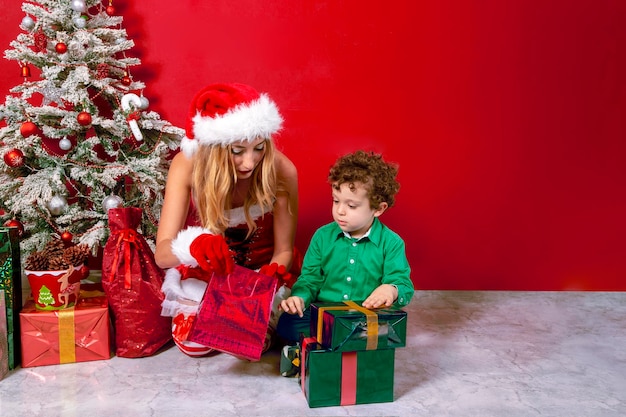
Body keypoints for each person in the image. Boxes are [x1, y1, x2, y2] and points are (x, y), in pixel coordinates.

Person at [155, 83, 299, 357]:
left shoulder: (283, 170)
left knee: (244, 346)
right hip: (206, 276)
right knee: (193, 345)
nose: (249, 162)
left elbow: (283, 250)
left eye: (259, 148)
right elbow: (163, 254)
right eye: (237, 151)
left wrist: (267, 281)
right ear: (214, 148)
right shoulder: (187, 165)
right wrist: (193, 247)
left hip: (259, 272)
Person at [276, 150, 414, 352]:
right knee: (287, 324)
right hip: (323, 312)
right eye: (336, 200)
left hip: (363, 316)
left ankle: (334, 342)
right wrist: (300, 298)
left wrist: (391, 290)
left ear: (378, 209)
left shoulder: (392, 242)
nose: (340, 211)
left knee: (386, 330)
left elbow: (403, 283)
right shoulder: (322, 236)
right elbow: (309, 279)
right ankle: (341, 341)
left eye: (351, 205)